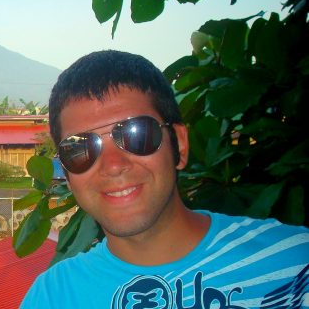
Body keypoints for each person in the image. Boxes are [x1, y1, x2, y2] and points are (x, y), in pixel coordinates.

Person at [20, 50, 309, 309]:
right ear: (68, 176)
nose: (113, 166)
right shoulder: (53, 297)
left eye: (137, 134)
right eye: (79, 149)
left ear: (179, 145)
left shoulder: (294, 264)